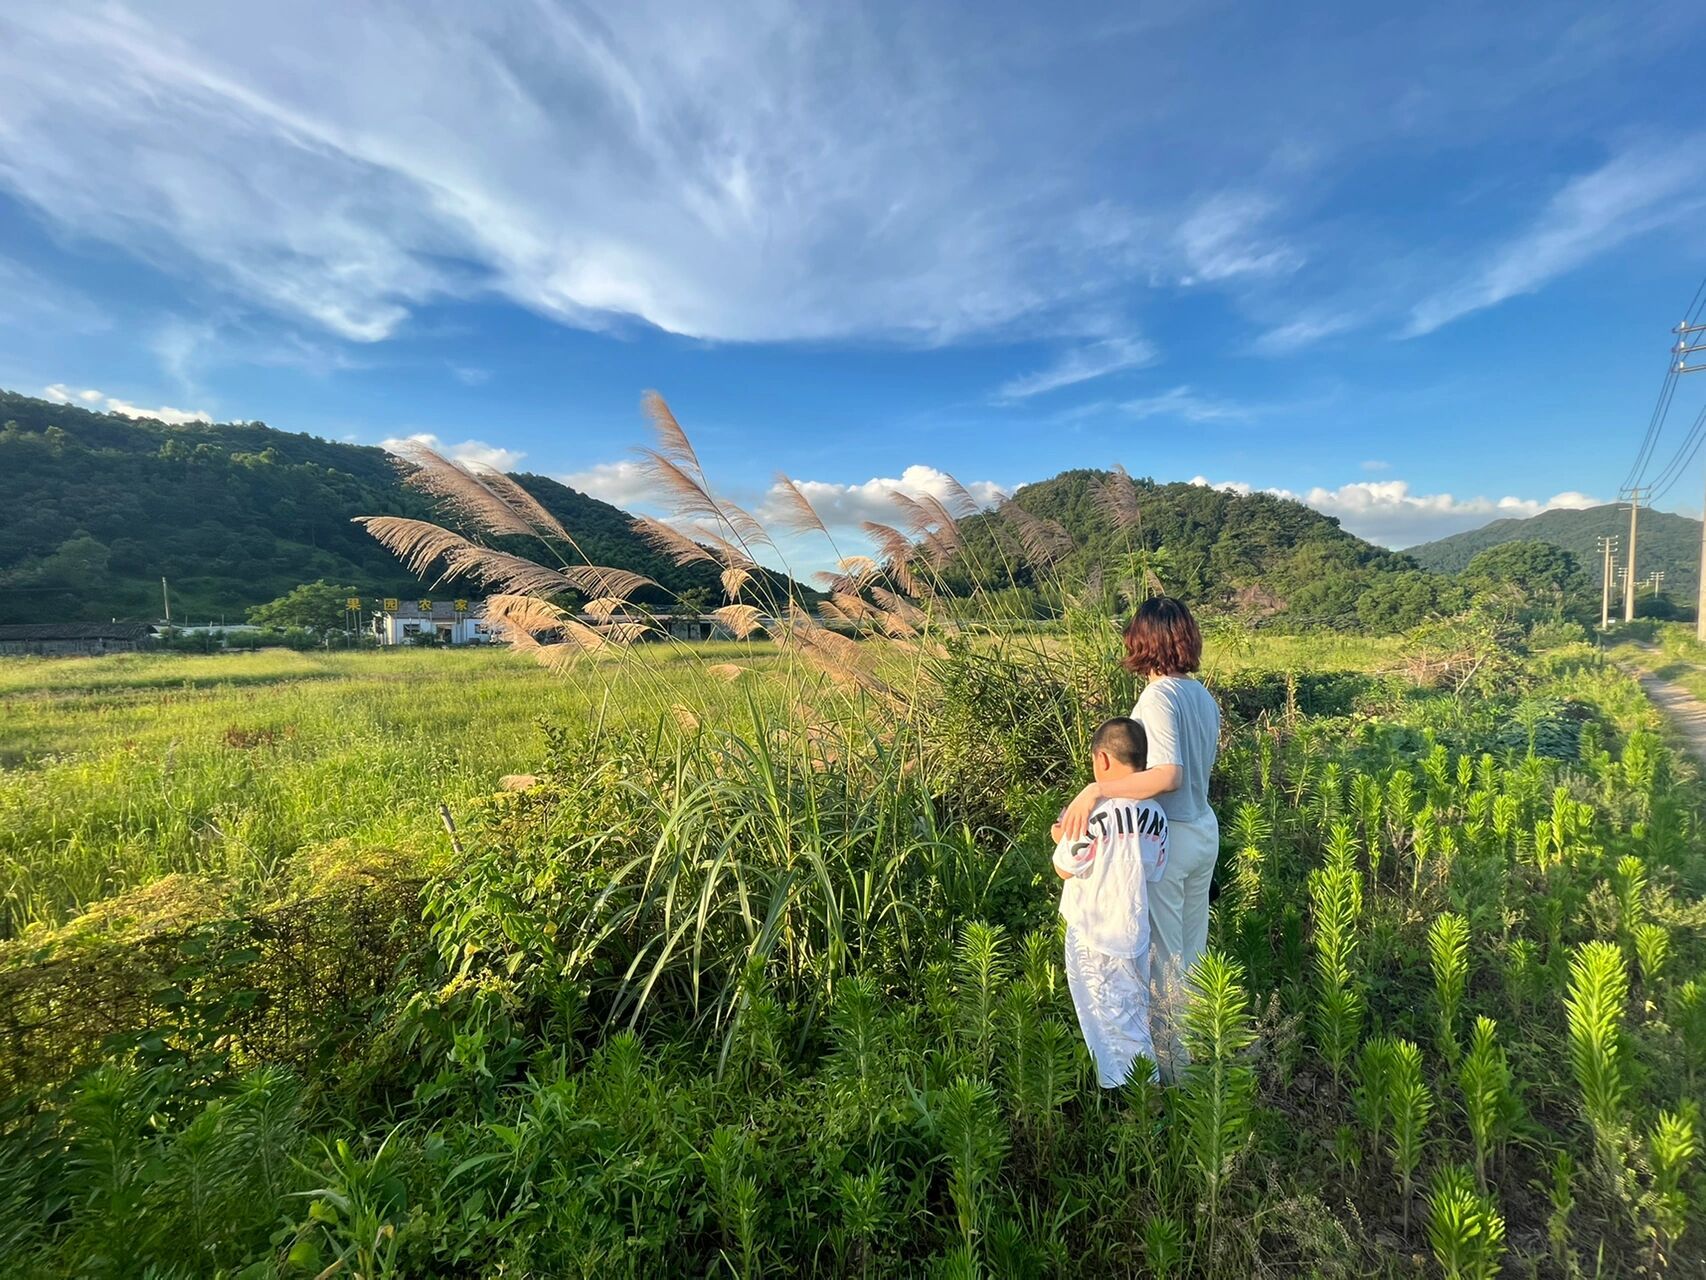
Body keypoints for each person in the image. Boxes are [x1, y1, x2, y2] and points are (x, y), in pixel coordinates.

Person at [1057, 596, 1221, 1080]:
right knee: (1193, 953)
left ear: (1141, 641)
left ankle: (1174, 1081)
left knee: (1166, 964)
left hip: (1168, 840)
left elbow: (1168, 775)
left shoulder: (1159, 696)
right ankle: (1197, 1056)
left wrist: (1096, 790)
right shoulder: (1201, 695)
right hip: (1203, 831)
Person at [1050, 717, 1169, 1089]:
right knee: (1133, 1014)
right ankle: (1143, 1099)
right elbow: (1154, 870)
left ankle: (1140, 1108)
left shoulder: (1093, 813)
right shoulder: (1157, 815)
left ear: (1102, 760)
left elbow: (1064, 867)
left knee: (1108, 1022)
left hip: (1094, 933)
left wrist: (1059, 831)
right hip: (1135, 929)